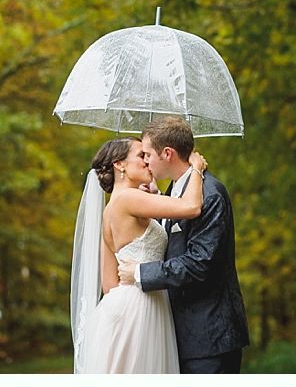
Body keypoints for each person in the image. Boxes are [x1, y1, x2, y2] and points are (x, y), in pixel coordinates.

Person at [118, 116, 250, 373]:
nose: (144, 160)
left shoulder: (210, 194)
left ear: (167, 153)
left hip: (210, 336)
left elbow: (199, 263)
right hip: (179, 334)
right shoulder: (173, 192)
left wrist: (140, 273)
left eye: (146, 154)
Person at [71, 136, 208, 373]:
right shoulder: (130, 199)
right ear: (119, 164)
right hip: (144, 306)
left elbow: (109, 284)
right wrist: (196, 168)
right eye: (140, 156)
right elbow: (192, 207)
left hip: (121, 306)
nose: (147, 161)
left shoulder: (110, 210)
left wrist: (153, 193)